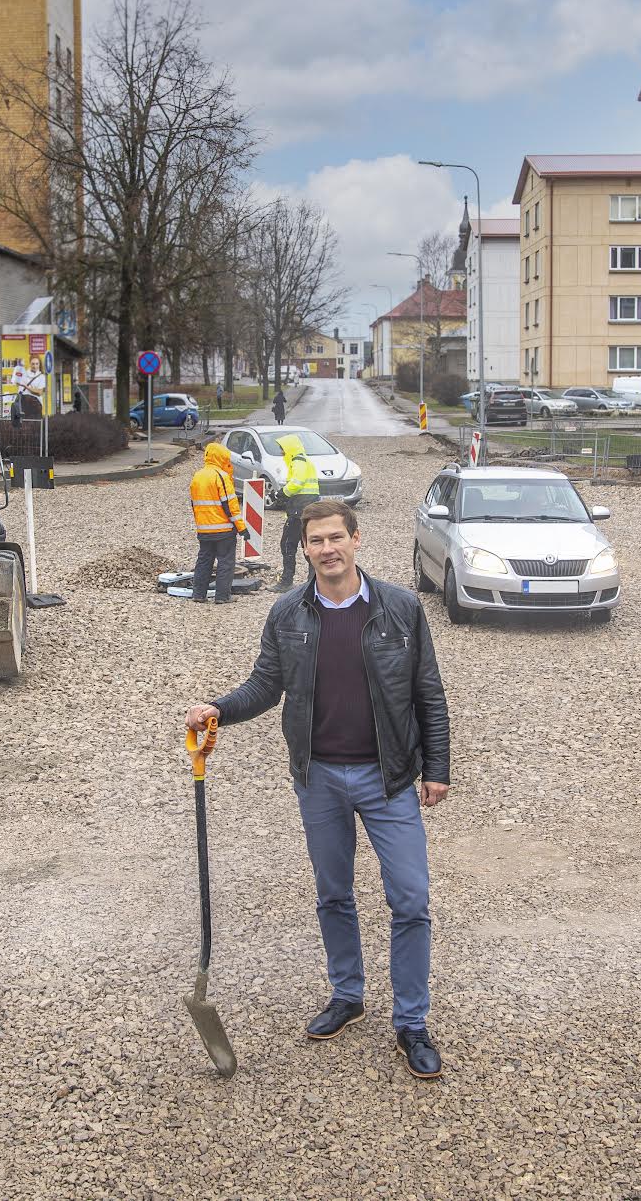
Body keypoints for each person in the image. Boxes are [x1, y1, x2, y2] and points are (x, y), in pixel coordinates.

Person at [186, 500, 451, 1080]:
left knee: (409, 899)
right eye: (317, 541)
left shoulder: (401, 609)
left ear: (357, 539)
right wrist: (219, 710)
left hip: (390, 779)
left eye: (337, 538)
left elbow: (427, 692)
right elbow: (265, 685)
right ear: (304, 549)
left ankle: (411, 1023)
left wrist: (437, 768)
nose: (328, 549)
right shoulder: (287, 614)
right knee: (334, 894)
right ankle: (348, 994)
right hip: (320, 778)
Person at [187, 441, 247, 604]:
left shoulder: (197, 476)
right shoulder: (222, 476)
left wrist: (202, 524)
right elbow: (230, 506)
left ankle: (198, 594)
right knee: (225, 563)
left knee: (204, 561)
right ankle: (222, 596)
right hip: (224, 530)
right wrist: (241, 528)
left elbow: (195, 505)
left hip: (204, 530)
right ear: (221, 457)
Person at [271, 433, 320, 592]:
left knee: (287, 545)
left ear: (289, 448)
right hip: (307, 509)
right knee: (308, 545)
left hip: (300, 510)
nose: (281, 452)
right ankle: (314, 582)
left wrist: (282, 493)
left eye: (282, 449)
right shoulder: (304, 460)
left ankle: (286, 582)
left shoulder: (298, 461)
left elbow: (297, 482)